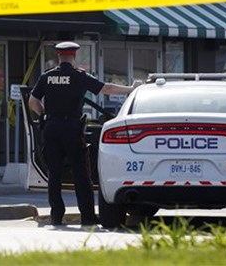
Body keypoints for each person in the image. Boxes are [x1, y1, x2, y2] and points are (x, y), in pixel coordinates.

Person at [27, 41, 141, 226]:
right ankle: (87, 216)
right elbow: (107, 89)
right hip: (72, 128)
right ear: (74, 56)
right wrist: (131, 89)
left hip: (51, 128)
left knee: (54, 173)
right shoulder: (78, 76)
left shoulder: (47, 77)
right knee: (81, 173)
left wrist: (44, 116)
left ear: (59, 56)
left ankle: (56, 216)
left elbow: (33, 100)